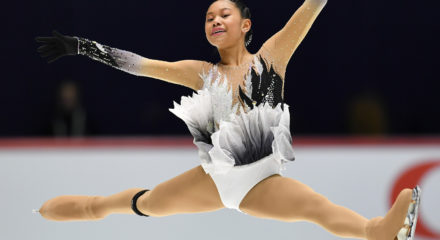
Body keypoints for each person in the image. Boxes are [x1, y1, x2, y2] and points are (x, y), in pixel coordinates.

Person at [35, 0, 421, 239]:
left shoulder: (271, 58)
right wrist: (83, 47)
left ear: (246, 24)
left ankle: (375, 231)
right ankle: (88, 208)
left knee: (316, 208)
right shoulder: (202, 72)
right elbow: (143, 66)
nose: (215, 20)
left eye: (224, 14)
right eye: (208, 17)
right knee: (147, 203)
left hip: (261, 180)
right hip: (215, 181)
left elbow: (311, 7)